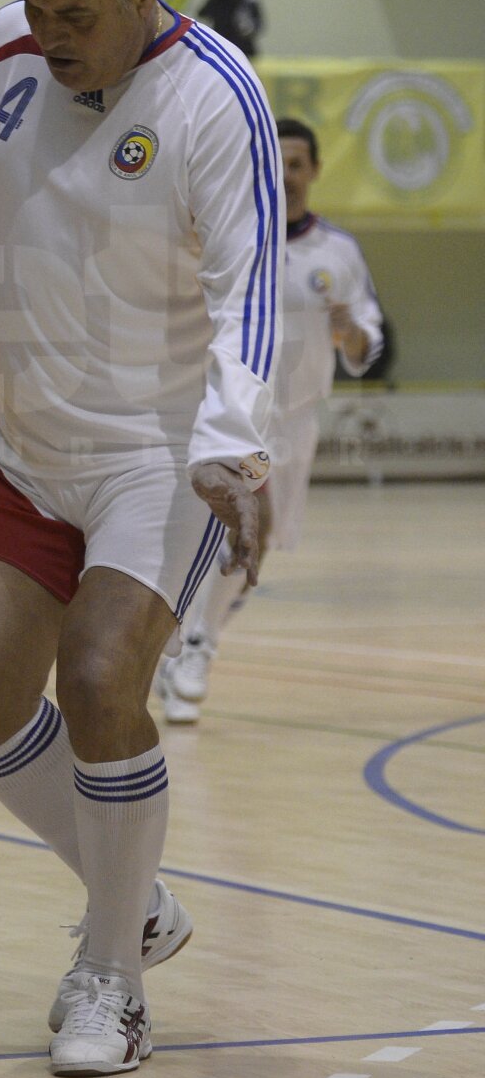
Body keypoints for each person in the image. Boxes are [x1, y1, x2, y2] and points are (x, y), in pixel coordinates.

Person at [0, 0, 282, 1076]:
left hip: (158, 456)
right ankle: (133, 898)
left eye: (77, 16)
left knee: (101, 682)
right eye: (35, 5)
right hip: (27, 448)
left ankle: (111, 974)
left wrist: (230, 442)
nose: (48, 35)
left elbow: (250, 291)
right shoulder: (1, 51)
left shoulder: (216, 96)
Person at [156, 117, 383, 724]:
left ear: (315, 171)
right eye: (276, 162)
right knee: (243, 522)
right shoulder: (228, 237)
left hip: (296, 421)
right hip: (226, 409)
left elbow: (368, 342)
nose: (286, 174)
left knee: (257, 542)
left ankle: (181, 643)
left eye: (297, 163)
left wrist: (352, 335)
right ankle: (196, 648)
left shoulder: (338, 251)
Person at [198, 0, 264, 57]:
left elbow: (258, 24)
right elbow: (202, 13)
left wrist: (248, 30)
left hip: (243, 46)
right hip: (222, 43)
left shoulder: (247, 1)